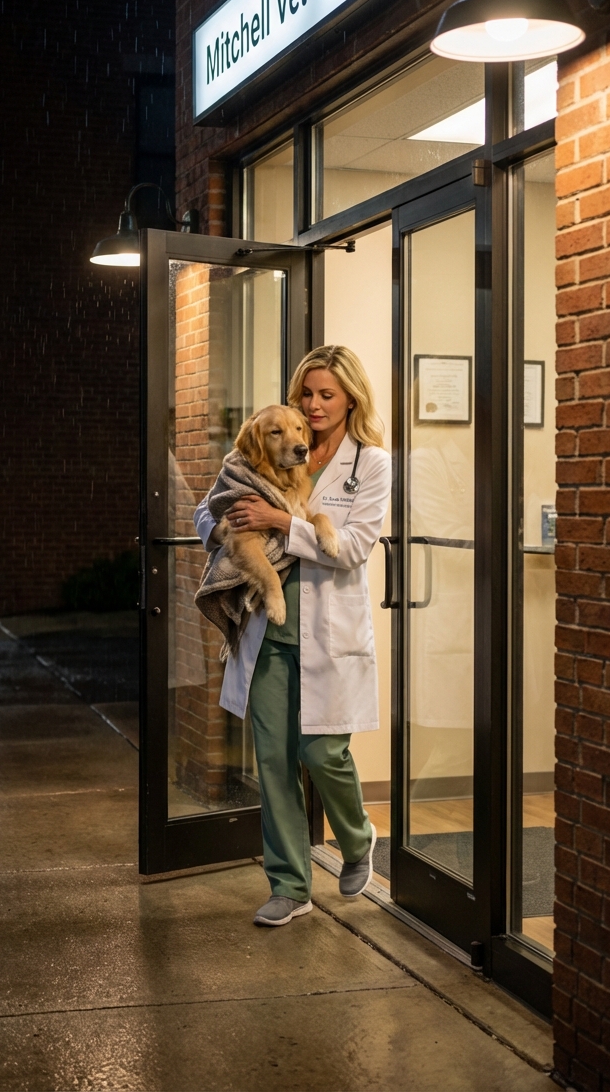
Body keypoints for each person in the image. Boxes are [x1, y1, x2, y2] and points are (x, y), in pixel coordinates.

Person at [194, 344, 392, 926]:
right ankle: (289, 885)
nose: (312, 405)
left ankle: (356, 838)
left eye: (325, 394)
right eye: (306, 393)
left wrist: (282, 521)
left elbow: (353, 548)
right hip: (269, 629)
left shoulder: (372, 463)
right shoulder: (261, 448)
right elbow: (209, 511)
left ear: (349, 396)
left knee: (323, 750)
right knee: (275, 760)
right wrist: (224, 527)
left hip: (329, 630)